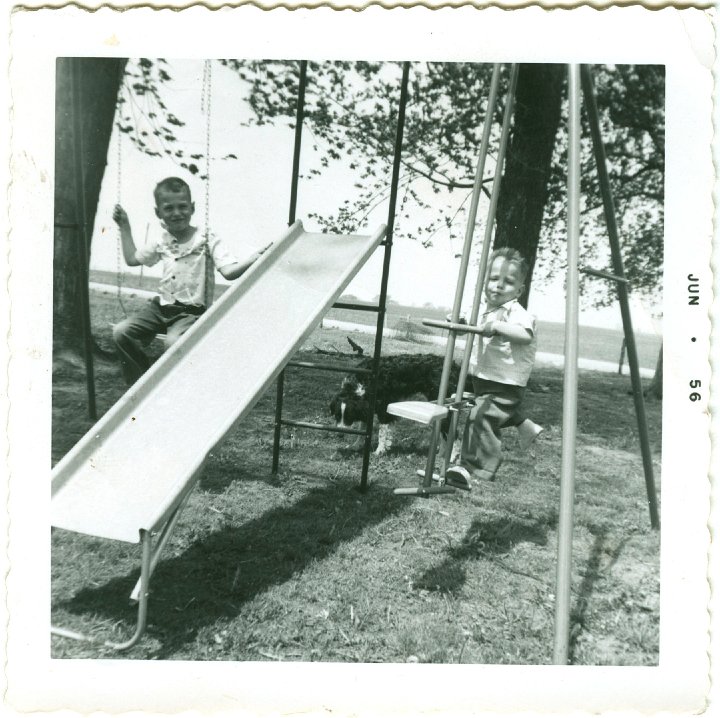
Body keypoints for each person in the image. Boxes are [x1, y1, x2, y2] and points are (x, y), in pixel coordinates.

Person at [111, 176, 267, 385]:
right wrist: (124, 226)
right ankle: (140, 383)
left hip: (190, 312)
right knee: (121, 332)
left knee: (173, 343)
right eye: (169, 208)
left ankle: (172, 386)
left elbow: (229, 272)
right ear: (158, 213)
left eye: (182, 206)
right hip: (160, 309)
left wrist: (254, 258)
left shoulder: (206, 238)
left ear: (192, 208)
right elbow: (132, 259)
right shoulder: (161, 241)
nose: (177, 213)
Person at [446, 247, 543, 490]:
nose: (498, 286)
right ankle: (525, 425)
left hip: (506, 382)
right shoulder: (480, 310)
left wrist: (498, 326)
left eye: (508, 282)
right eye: (493, 279)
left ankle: (473, 467)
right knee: (491, 410)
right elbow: (466, 327)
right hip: (485, 377)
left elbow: (524, 335)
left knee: (481, 416)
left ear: (519, 290)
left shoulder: (516, 313)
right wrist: (456, 322)